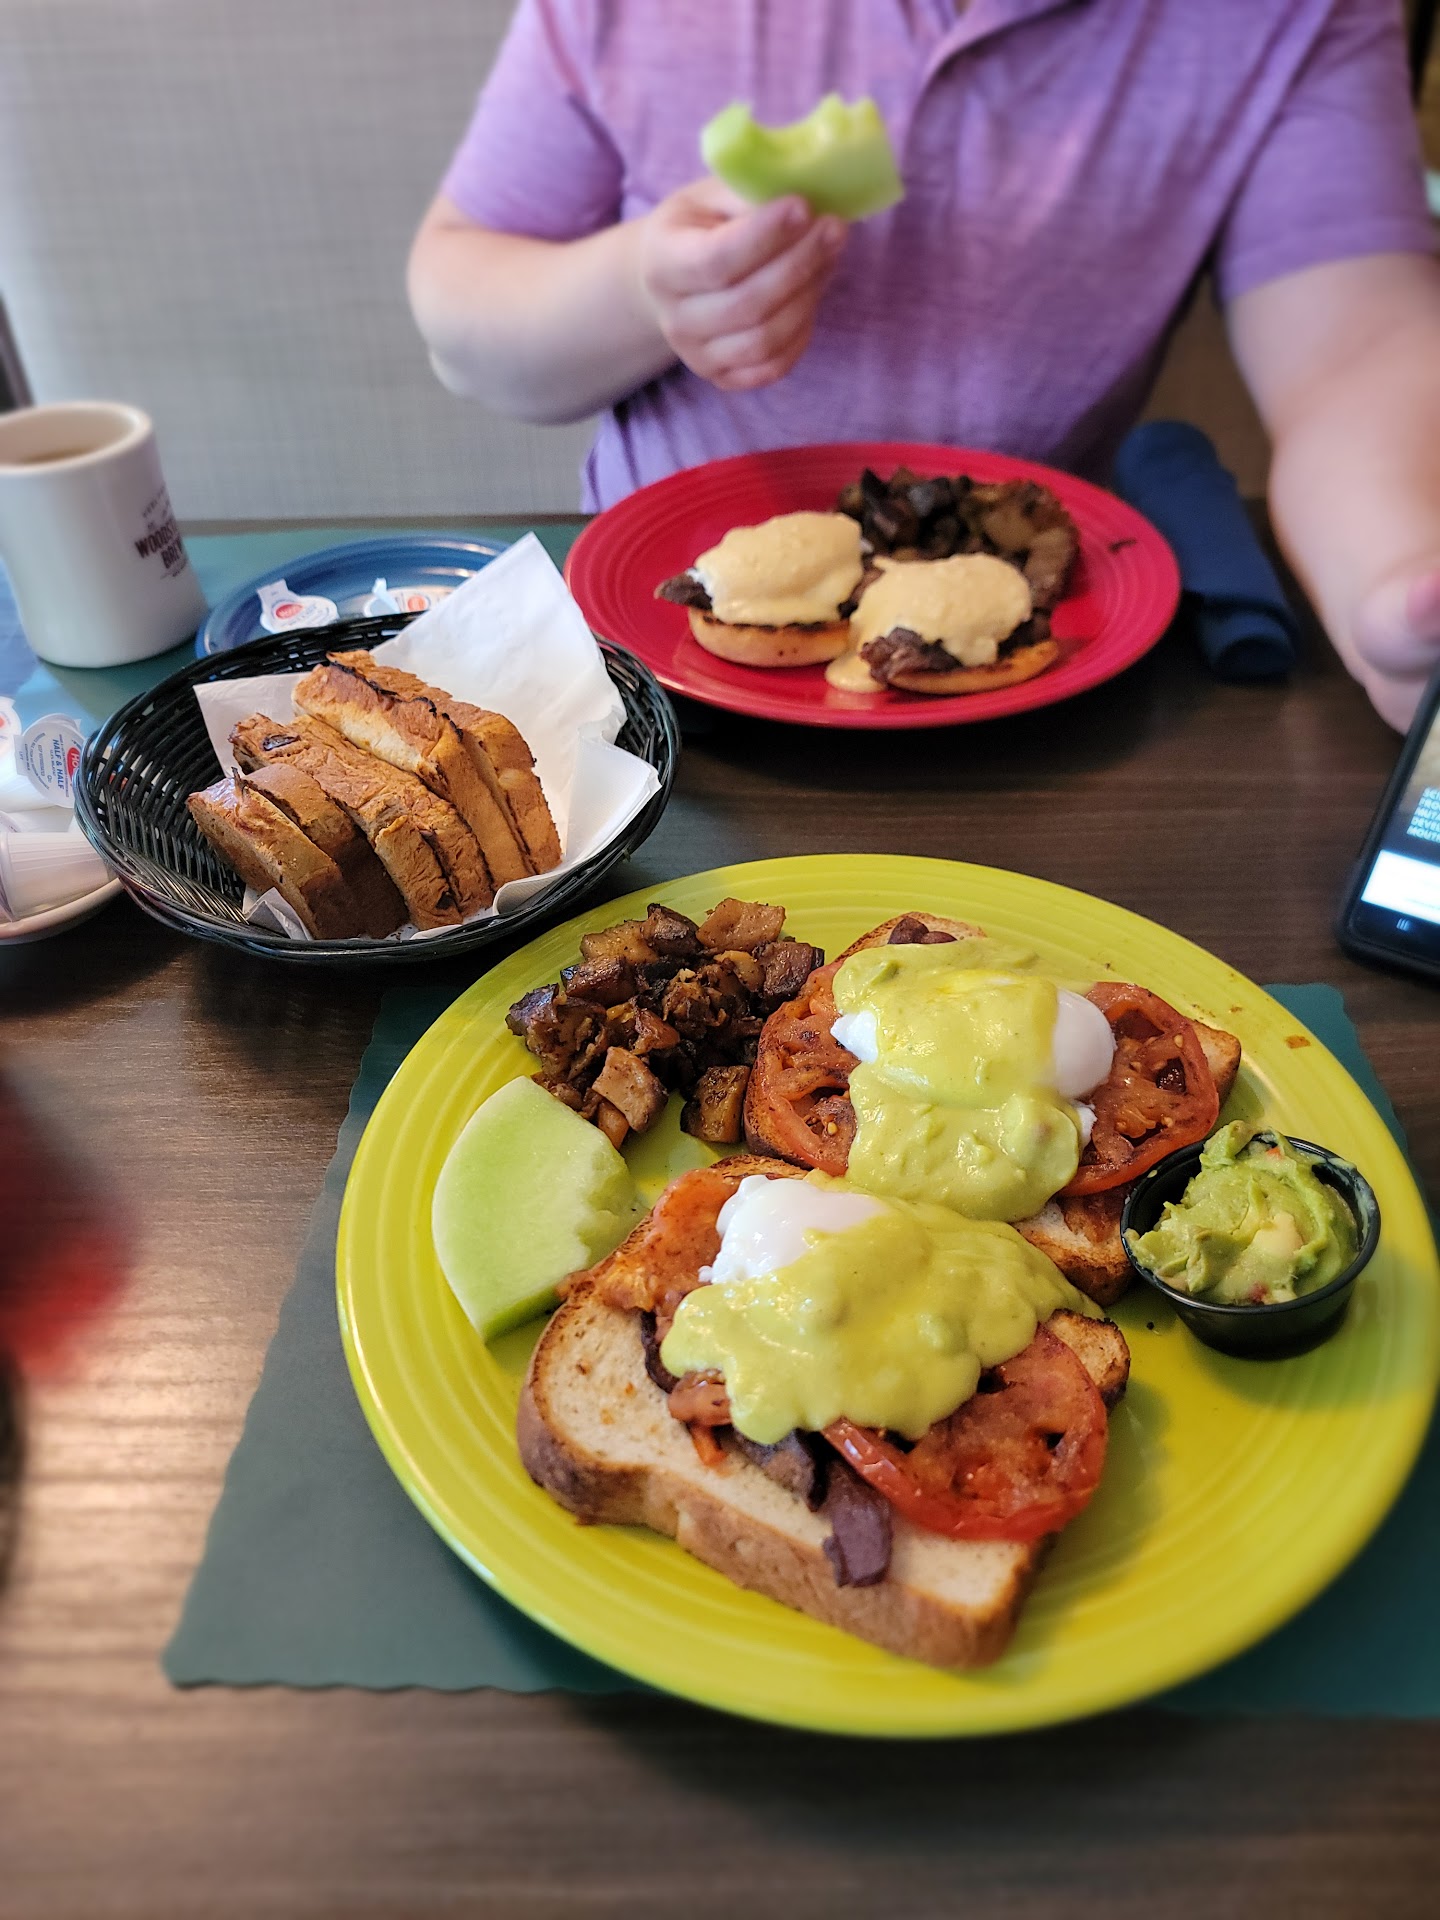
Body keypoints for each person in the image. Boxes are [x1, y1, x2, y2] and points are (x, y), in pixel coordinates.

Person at [407, 1, 1440, 731]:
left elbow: (1355, 347)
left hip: (1038, 692)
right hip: (638, 672)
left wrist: (1397, 577)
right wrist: (643, 292)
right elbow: (467, 328)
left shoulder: (1291, 16)